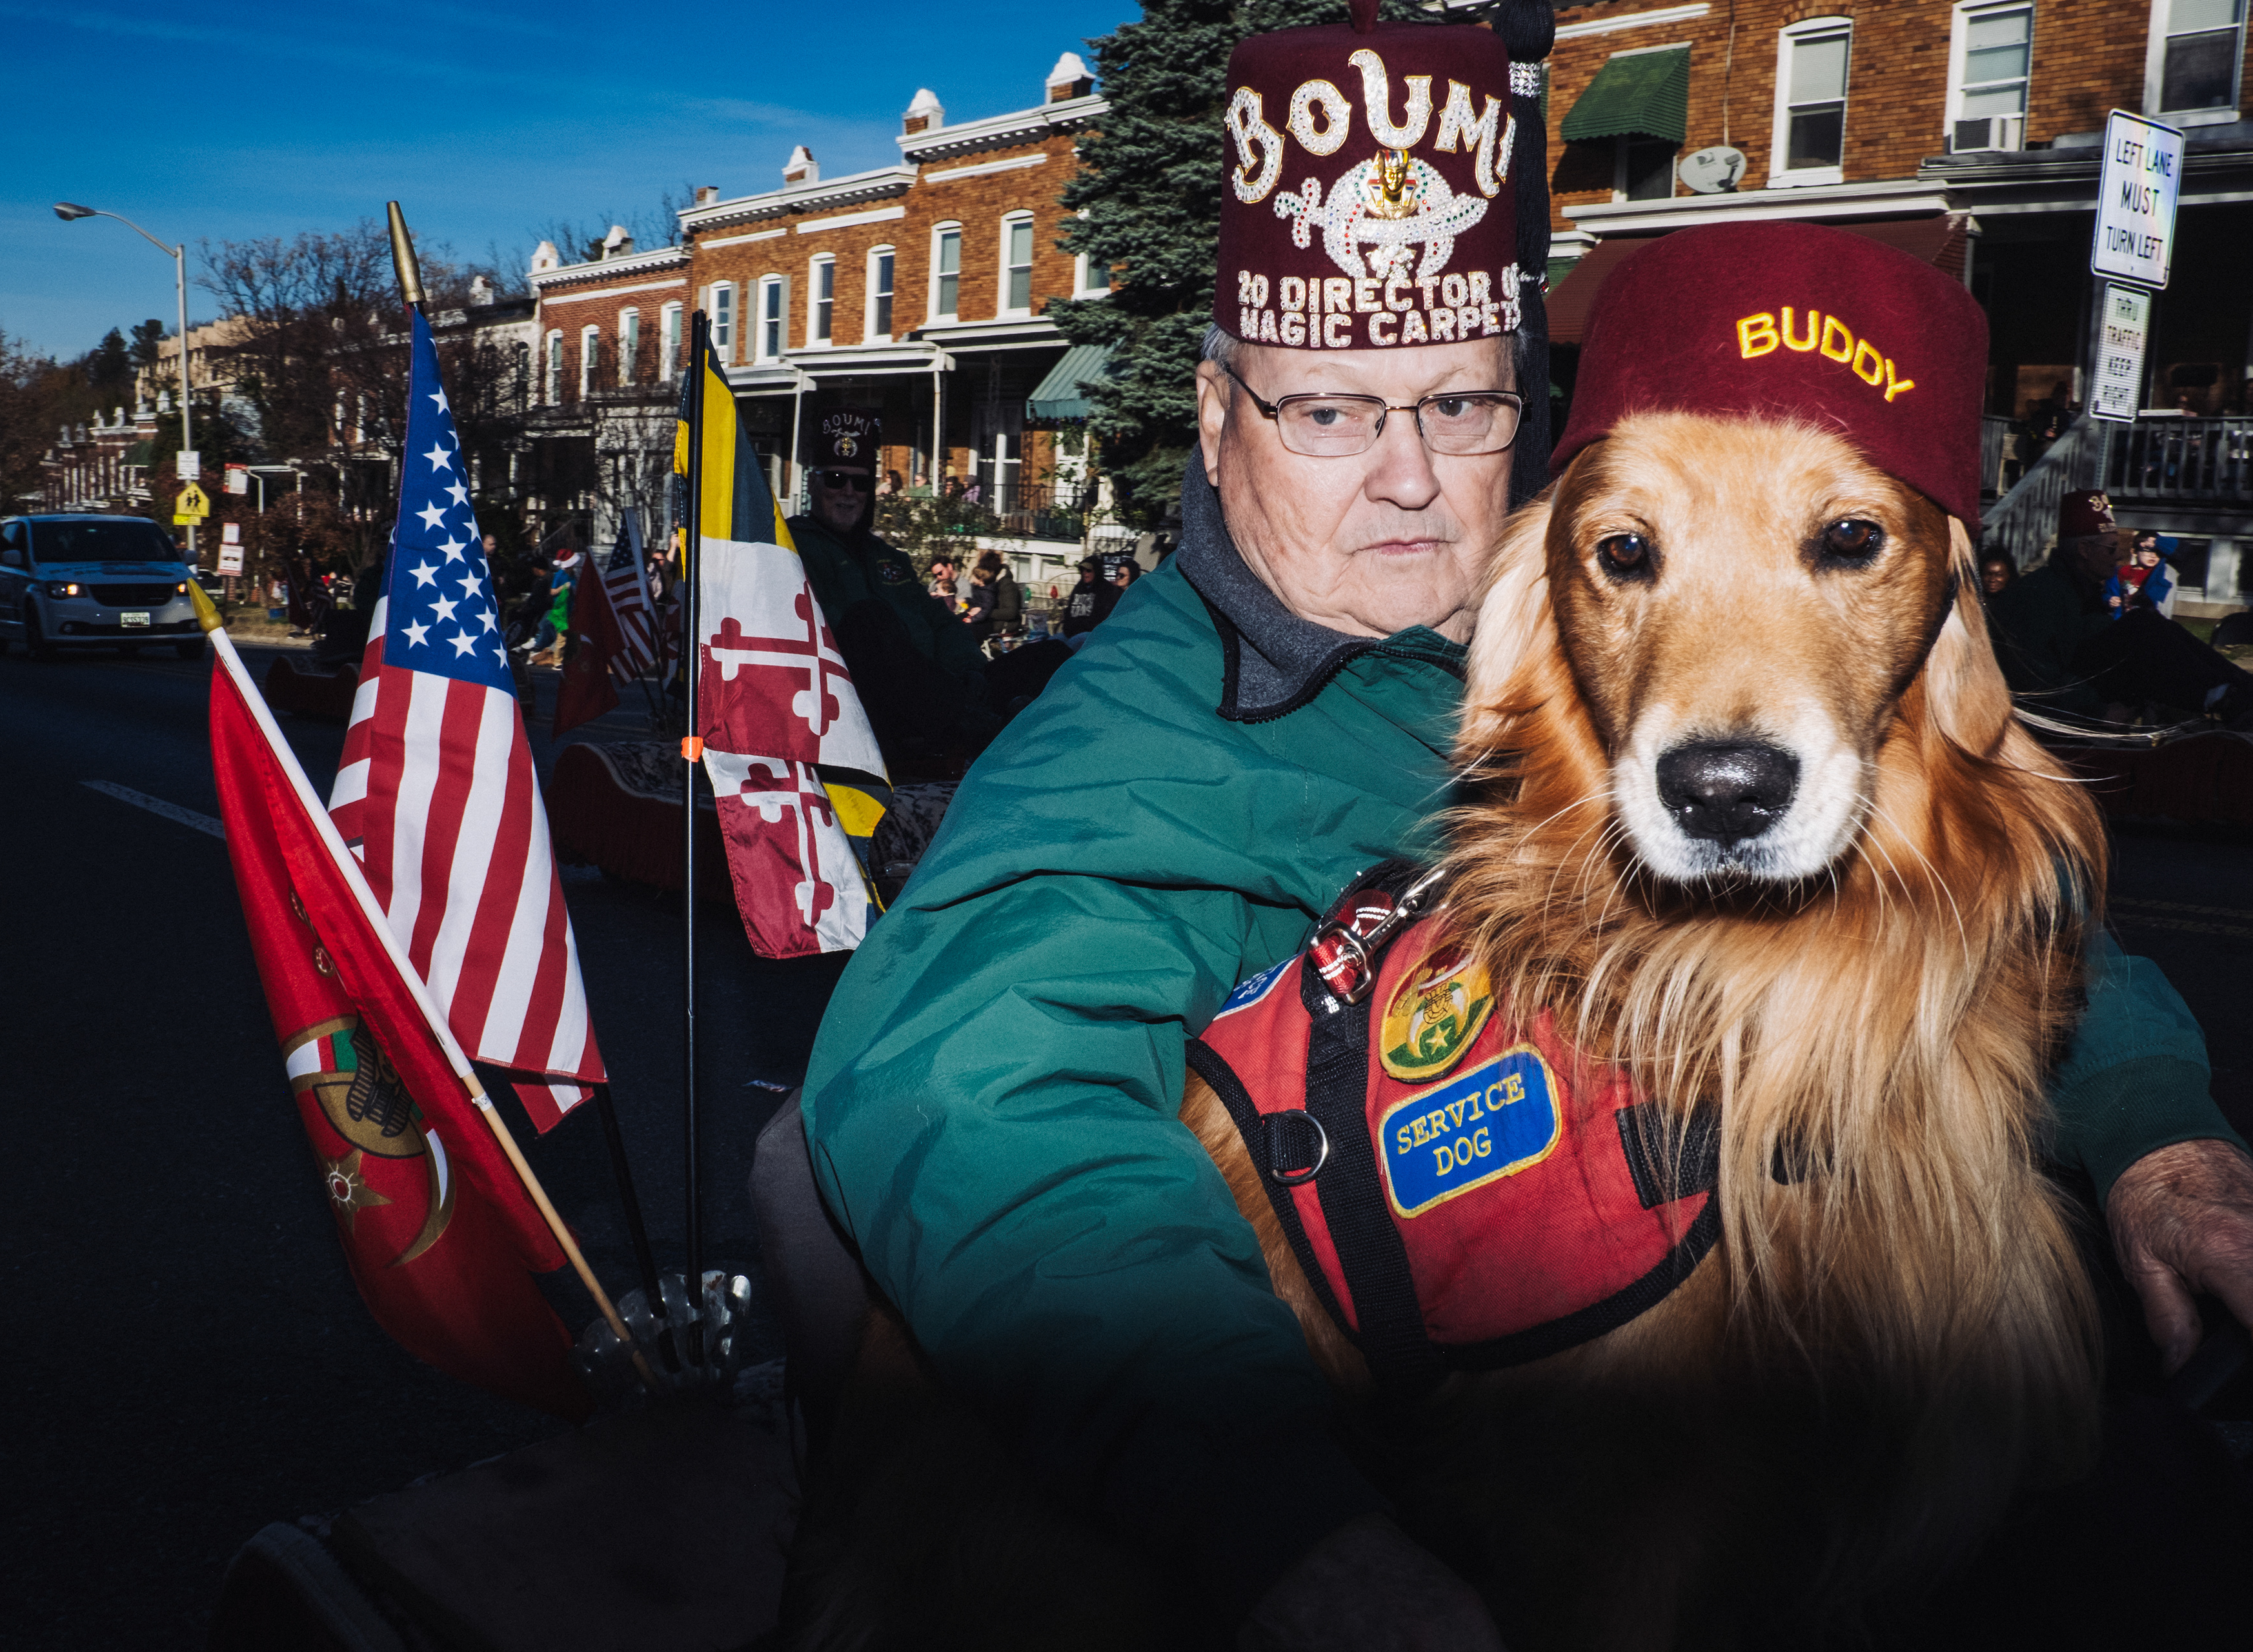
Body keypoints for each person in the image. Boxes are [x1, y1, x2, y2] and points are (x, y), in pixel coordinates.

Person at [756, 12, 2253, 1647]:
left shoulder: (1570, 599)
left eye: (1458, 406)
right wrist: (1286, 1534)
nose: (1405, 479)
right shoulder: (1131, 745)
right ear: (1212, 418)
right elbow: (992, 1110)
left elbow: (1956, 887)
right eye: (1327, 413)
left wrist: (2148, 1125)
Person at [785, 408, 999, 761]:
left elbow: (938, 619)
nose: (849, 492)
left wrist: (970, 670)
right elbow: (827, 625)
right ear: (815, 484)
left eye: (862, 482)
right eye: (837, 479)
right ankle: (967, 724)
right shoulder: (793, 545)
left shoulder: (888, 556)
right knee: (871, 620)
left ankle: (984, 719)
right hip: (854, 700)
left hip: (932, 689)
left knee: (1051, 657)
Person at [1993, 490, 2253, 726]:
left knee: (2153, 625)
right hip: (2051, 716)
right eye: (2111, 549)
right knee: (2140, 625)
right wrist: (2098, 711)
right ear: (2084, 549)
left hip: (2086, 690)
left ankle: (2239, 690)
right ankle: (2224, 697)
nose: (2118, 557)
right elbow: (2032, 677)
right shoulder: (2038, 595)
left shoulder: (2085, 590)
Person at [1060, 555, 1110, 637]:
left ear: (1096, 571)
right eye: (1082, 570)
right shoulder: (1079, 588)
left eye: (1088, 570)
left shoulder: (1105, 589)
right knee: (1053, 641)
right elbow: (1069, 612)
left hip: (1090, 635)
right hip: (1070, 632)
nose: (1084, 573)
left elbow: (1102, 617)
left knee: (1073, 643)